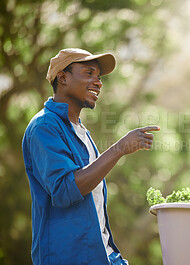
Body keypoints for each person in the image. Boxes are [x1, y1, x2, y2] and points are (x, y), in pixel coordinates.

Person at [22, 48, 160, 265]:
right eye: (89, 73)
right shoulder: (44, 126)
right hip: (67, 258)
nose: (98, 82)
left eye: (99, 76)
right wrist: (119, 148)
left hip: (104, 256)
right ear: (63, 77)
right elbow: (65, 190)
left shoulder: (81, 132)